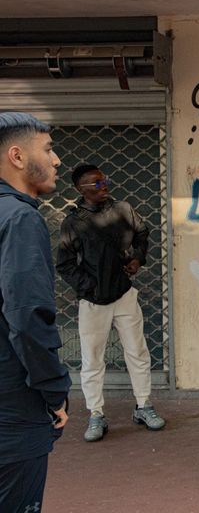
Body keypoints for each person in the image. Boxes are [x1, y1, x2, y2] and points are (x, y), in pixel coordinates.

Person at [56, 164, 166, 442]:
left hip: (124, 295)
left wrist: (137, 259)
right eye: (95, 183)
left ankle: (144, 406)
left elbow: (142, 232)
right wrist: (89, 287)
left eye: (103, 180)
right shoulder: (74, 222)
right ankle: (96, 414)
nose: (103, 186)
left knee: (137, 352)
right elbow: (65, 264)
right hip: (93, 303)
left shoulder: (123, 210)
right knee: (92, 360)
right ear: (81, 190)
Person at [0, 112, 71, 513]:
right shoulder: (21, 219)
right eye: (47, 149)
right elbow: (27, 318)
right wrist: (54, 391)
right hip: (12, 411)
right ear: (17, 156)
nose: (57, 159)